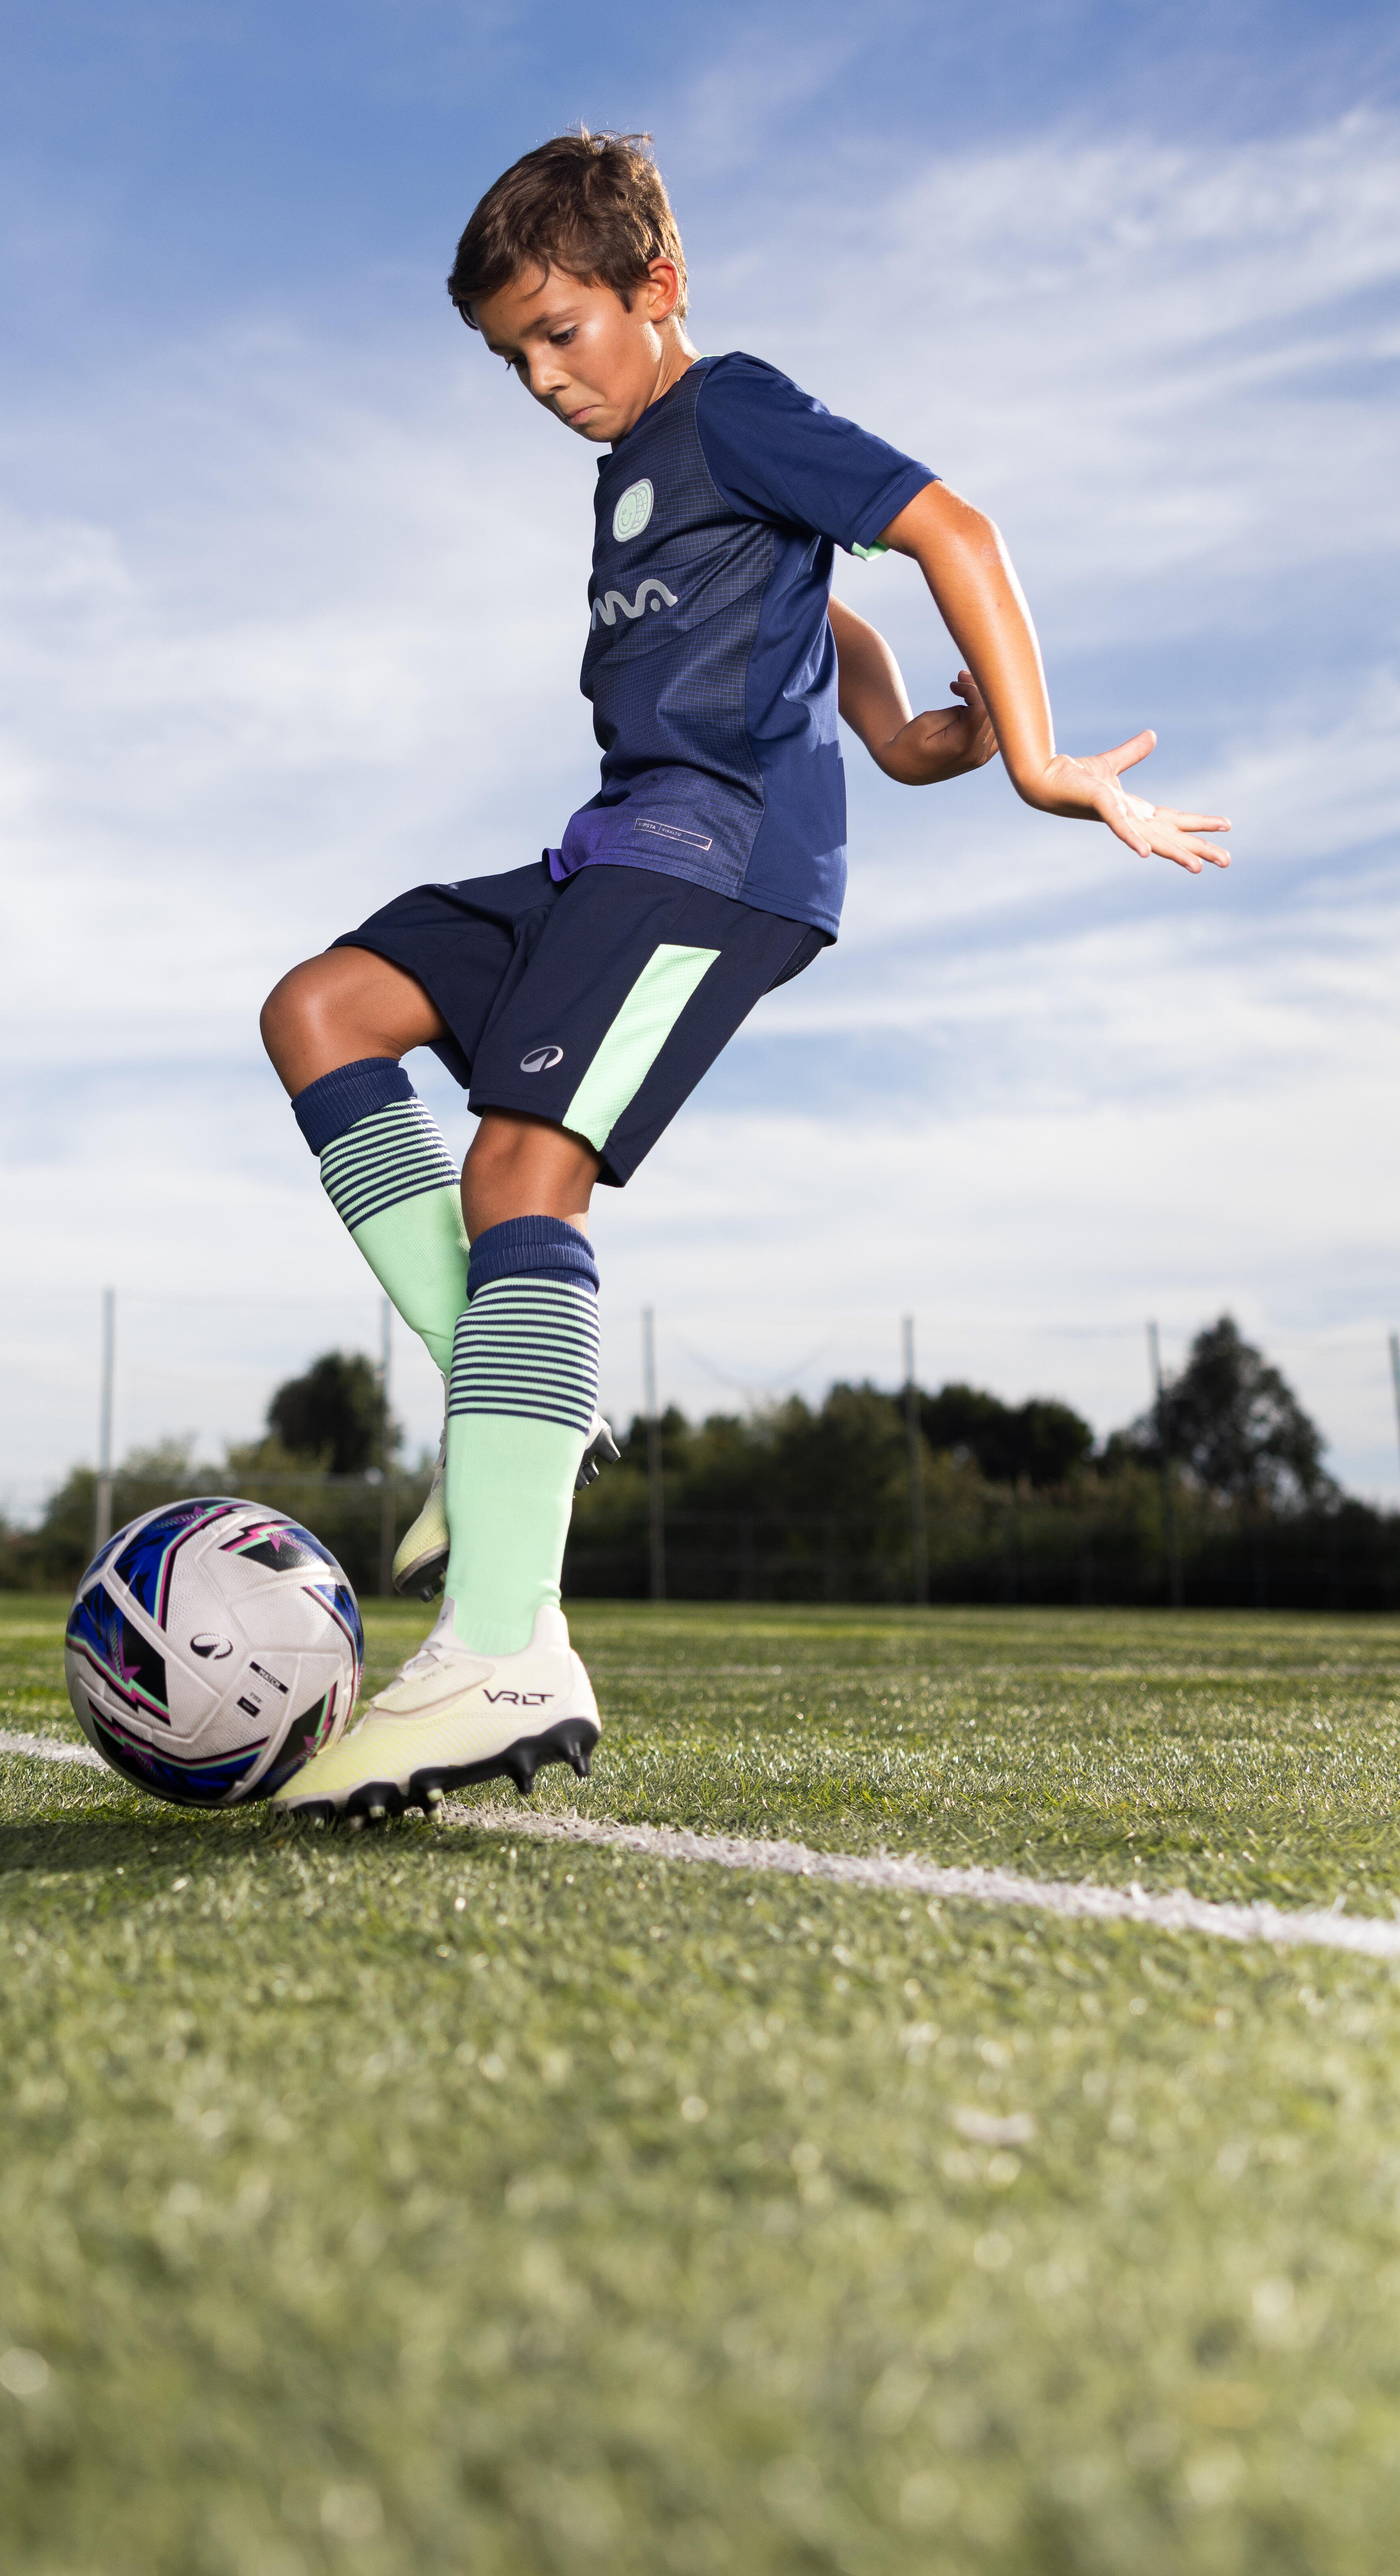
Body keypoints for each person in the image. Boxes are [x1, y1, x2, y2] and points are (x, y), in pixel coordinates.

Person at [259, 130, 1229, 1823]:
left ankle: (503, 1637)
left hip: (713, 863)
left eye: (563, 329)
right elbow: (831, 636)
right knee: (321, 1008)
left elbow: (951, 530)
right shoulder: (638, 474)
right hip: (613, 845)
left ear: (659, 287)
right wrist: (915, 732)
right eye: (512, 356)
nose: (541, 376)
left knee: (516, 1168)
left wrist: (1036, 759)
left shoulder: (735, 404)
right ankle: (506, 1412)